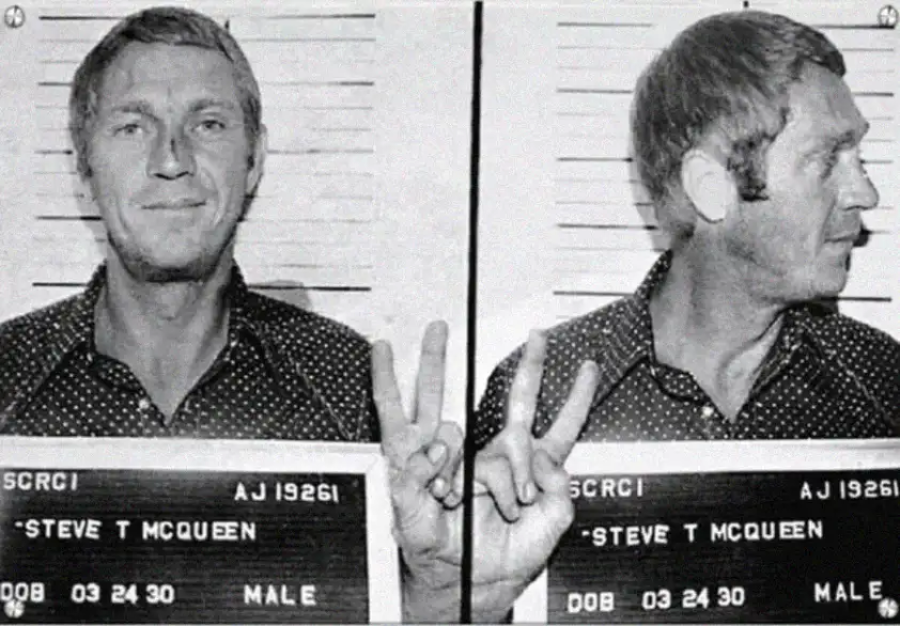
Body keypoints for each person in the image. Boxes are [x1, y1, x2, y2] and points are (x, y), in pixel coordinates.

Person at [0, 7, 461, 622]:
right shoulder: (7, 375)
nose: (172, 159)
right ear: (83, 172)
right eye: (133, 128)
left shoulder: (349, 388)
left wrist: (434, 587)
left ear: (255, 161)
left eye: (208, 123)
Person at [471, 9, 900, 621]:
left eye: (858, 156)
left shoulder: (883, 386)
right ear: (710, 185)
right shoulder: (540, 398)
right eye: (828, 158)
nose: (866, 193)